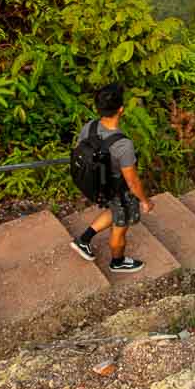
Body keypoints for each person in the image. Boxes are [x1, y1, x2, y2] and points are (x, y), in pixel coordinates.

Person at [69, 83, 154, 272]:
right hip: (117, 190)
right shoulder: (123, 145)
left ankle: (84, 240)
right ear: (121, 110)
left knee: (114, 210)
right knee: (120, 226)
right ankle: (118, 262)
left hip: (97, 185)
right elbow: (132, 182)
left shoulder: (89, 126)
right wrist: (145, 201)